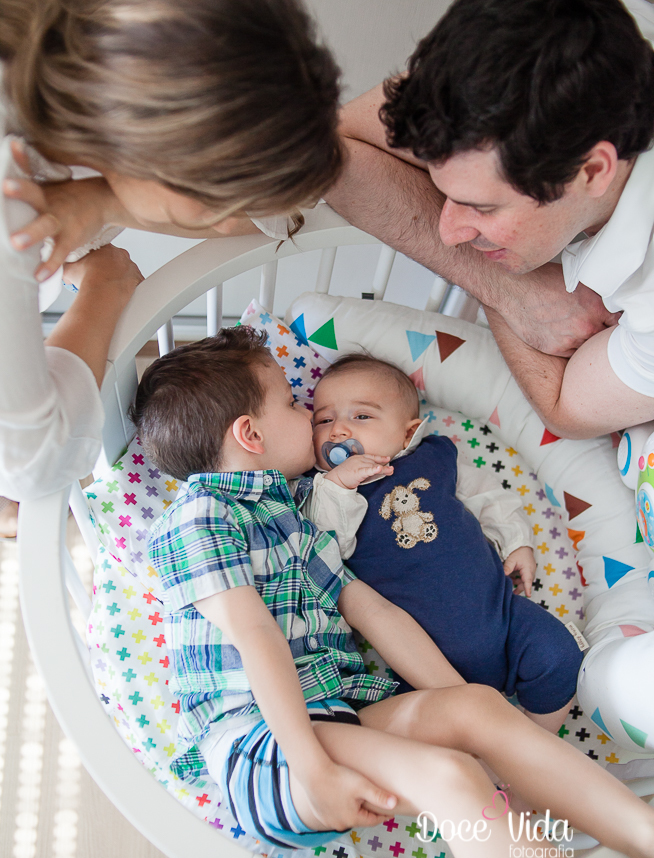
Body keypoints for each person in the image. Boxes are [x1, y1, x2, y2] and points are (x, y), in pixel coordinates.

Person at [131, 325, 654, 858]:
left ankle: (643, 837)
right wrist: (311, 768)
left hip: (338, 718)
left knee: (478, 710)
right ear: (250, 434)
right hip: (264, 745)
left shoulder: (300, 516)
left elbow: (376, 612)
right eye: (290, 400)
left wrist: (467, 709)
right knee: (452, 776)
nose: (308, 411)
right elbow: (255, 635)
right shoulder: (199, 516)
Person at [0, 0, 341, 502]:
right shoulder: (14, 206)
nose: (224, 223)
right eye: (212, 208)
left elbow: (283, 215)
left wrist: (103, 201)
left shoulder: (122, 54)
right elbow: (30, 464)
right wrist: (107, 283)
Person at [325, 0, 654, 438]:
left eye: (482, 206)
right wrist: (507, 288)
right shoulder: (566, 42)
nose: (447, 233)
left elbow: (564, 411)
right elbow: (327, 149)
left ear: (592, 171)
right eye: (444, 190)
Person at [309, 353, 583, 735]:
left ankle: (538, 742)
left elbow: (489, 496)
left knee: (560, 656)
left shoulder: (434, 458)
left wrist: (517, 541)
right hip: (424, 662)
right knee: (421, 725)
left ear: (408, 433)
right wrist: (340, 486)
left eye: (361, 416)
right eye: (323, 420)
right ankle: (489, 765)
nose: (337, 430)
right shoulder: (322, 491)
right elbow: (325, 545)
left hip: (503, 617)